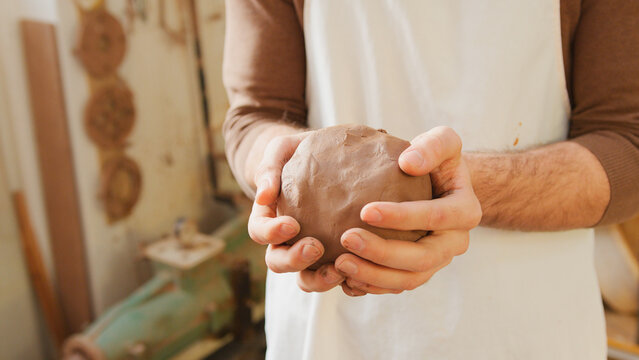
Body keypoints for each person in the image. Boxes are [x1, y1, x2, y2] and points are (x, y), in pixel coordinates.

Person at [222, 1, 639, 359]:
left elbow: (628, 141)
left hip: (527, 326)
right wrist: (275, 166)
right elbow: (253, 115)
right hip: (329, 328)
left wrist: (457, 186)